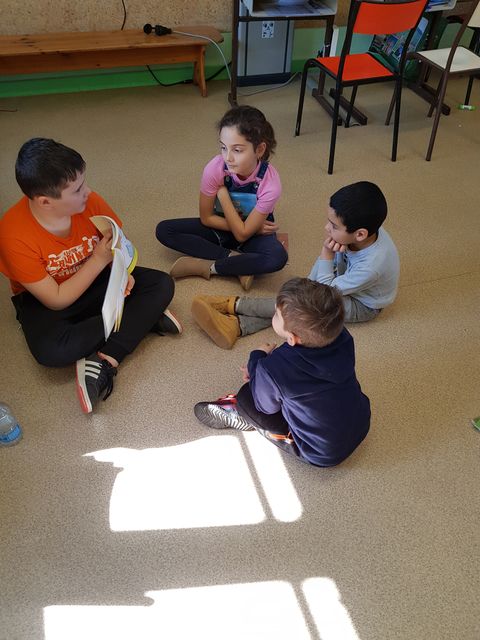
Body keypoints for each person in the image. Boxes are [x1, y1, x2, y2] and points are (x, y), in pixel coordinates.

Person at [0, 138, 181, 414]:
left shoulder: (90, 202)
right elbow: (55, 299)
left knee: (162, 284)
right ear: (45, 202)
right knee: (51, 351)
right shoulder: (13, 233)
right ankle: (142, 320)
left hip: (97, 280)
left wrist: (123, 270)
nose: (88, 192)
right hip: (45, 299)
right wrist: (98, 260)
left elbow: (119, 243)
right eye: (77, 190)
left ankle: (107, 358)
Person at [190, 181, 400, 349]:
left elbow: (323, 290)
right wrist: (307, 287)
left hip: (363, 304)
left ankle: (236, 306)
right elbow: (315, 283)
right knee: (301, 300)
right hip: (341, 280)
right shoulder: (362, 232)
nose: (326, 228)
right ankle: (236, 326)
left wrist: (326, 253)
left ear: (360, 234)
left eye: (334, 226)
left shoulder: (371, 266)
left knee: (303, 307)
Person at [194, 278, 371, 467]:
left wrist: (257, 359)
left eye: (277, 315)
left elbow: (265, 407)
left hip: (321, 452)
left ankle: (239, 414)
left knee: (246, 398)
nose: (274, 314)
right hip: (362, 421)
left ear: (292, 338)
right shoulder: (343, 336)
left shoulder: (274, 368)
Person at [155, 105, 288, 292]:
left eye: (237, 150)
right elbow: (206, 218)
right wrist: (248, 228)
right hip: (225, 227)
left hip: (253, 235)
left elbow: (242, 235)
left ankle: (210, 267)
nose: (228, 158)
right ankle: (237, 262)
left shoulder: (270, 183)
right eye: (223, 148)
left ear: (259, 150)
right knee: (164, 230)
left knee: (277, 258)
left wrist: (223, 196)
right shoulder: (214, 168)